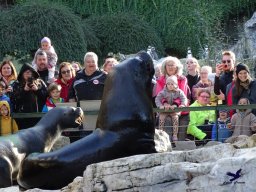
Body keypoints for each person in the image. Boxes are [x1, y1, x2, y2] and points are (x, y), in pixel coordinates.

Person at [154, 56, 190, 140]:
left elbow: (182, 94)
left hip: (180, 110)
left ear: (177, 67)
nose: (170, 67)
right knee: (166, 135)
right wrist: (165, 103)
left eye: (172, 65)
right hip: (165, 110)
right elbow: (159, 95)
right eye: (168, 65)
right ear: (165, 67)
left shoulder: (183, 79)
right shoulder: (160, 79)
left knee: (180, 139)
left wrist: (175, 104)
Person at [10, 63, 47, 129]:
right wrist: (24, 90)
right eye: (27, 73)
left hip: (39, 117)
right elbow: (14, 101)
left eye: (30, 72)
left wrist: (37, 90)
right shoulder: (16, 84)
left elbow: (47, 97)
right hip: (22, 118)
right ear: (22, 74)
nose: (29, 74)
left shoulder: (40, 82)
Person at [155, 75, 187, 141]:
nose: (170, 85)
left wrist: (183, 105)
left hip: (174, 110)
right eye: (168, 84)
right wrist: (160, 106)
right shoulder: (163, 92)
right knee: (161, 117)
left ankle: (175, 135)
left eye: (172, 84)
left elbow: (184, 98)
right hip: (164, 110)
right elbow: (157, 99)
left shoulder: (179, 92)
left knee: (175, 118)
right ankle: (161, 133)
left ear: (176, 84)